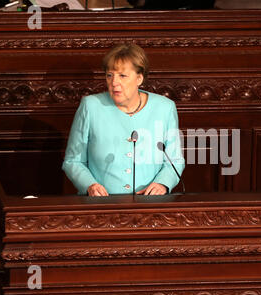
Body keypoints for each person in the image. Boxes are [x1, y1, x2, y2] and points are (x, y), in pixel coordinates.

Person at [62, 43, 185, 196]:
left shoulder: (164, 108)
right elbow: (73, 161)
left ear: (139, 78)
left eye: (122, 75)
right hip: (101, 205)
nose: (114, 83)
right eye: (109, 75)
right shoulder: (91, 106)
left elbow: (175, 161)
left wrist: (162, 183)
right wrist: (90, 185)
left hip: (150, 204)